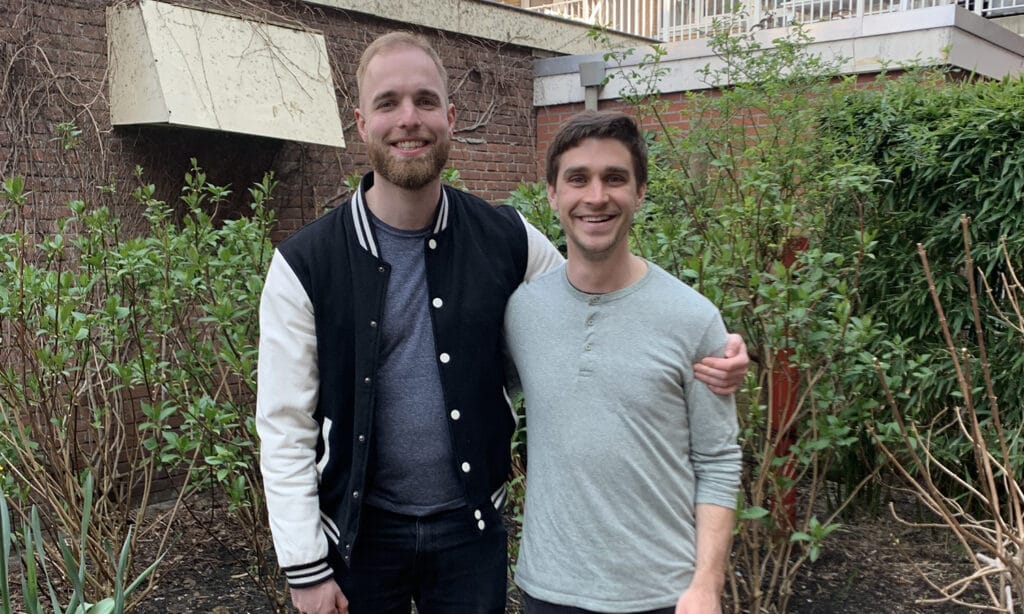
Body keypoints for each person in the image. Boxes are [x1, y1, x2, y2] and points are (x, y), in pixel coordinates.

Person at [256, 32, 749, 614]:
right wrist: (305, 569)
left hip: (471, 534)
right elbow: (285, 427)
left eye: (426, 101)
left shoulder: (506, 239)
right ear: (361, 123)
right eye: (388, 103)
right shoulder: (305, 264)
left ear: (451, 117)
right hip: (359, 541)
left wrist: (711, 356)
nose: (408, 119)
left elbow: (593, 291)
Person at [504, 110, 742, 614]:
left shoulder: (693, 319)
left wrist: (706, 585)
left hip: (663, 596)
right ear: (552, 194)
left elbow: (718, 460)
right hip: (547, 592)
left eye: (615, 178)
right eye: (577, 179)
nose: (596, 197)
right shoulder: (522, 312)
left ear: (640, 192)